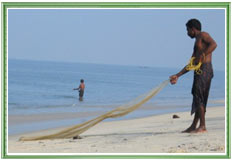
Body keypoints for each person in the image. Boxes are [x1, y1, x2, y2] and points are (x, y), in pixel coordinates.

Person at [170, 19, 217, 133]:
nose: (187, 33)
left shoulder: (203, 35)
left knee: (199, 97)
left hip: (204, 70)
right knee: (198, 97)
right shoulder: (197, 42)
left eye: (187, 30)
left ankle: (202, 126)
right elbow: (191, 64)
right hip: (200, 71)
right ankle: (194, 126)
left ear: (193, 29)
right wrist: (178, 75)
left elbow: (214, 44)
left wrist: (203, 54)